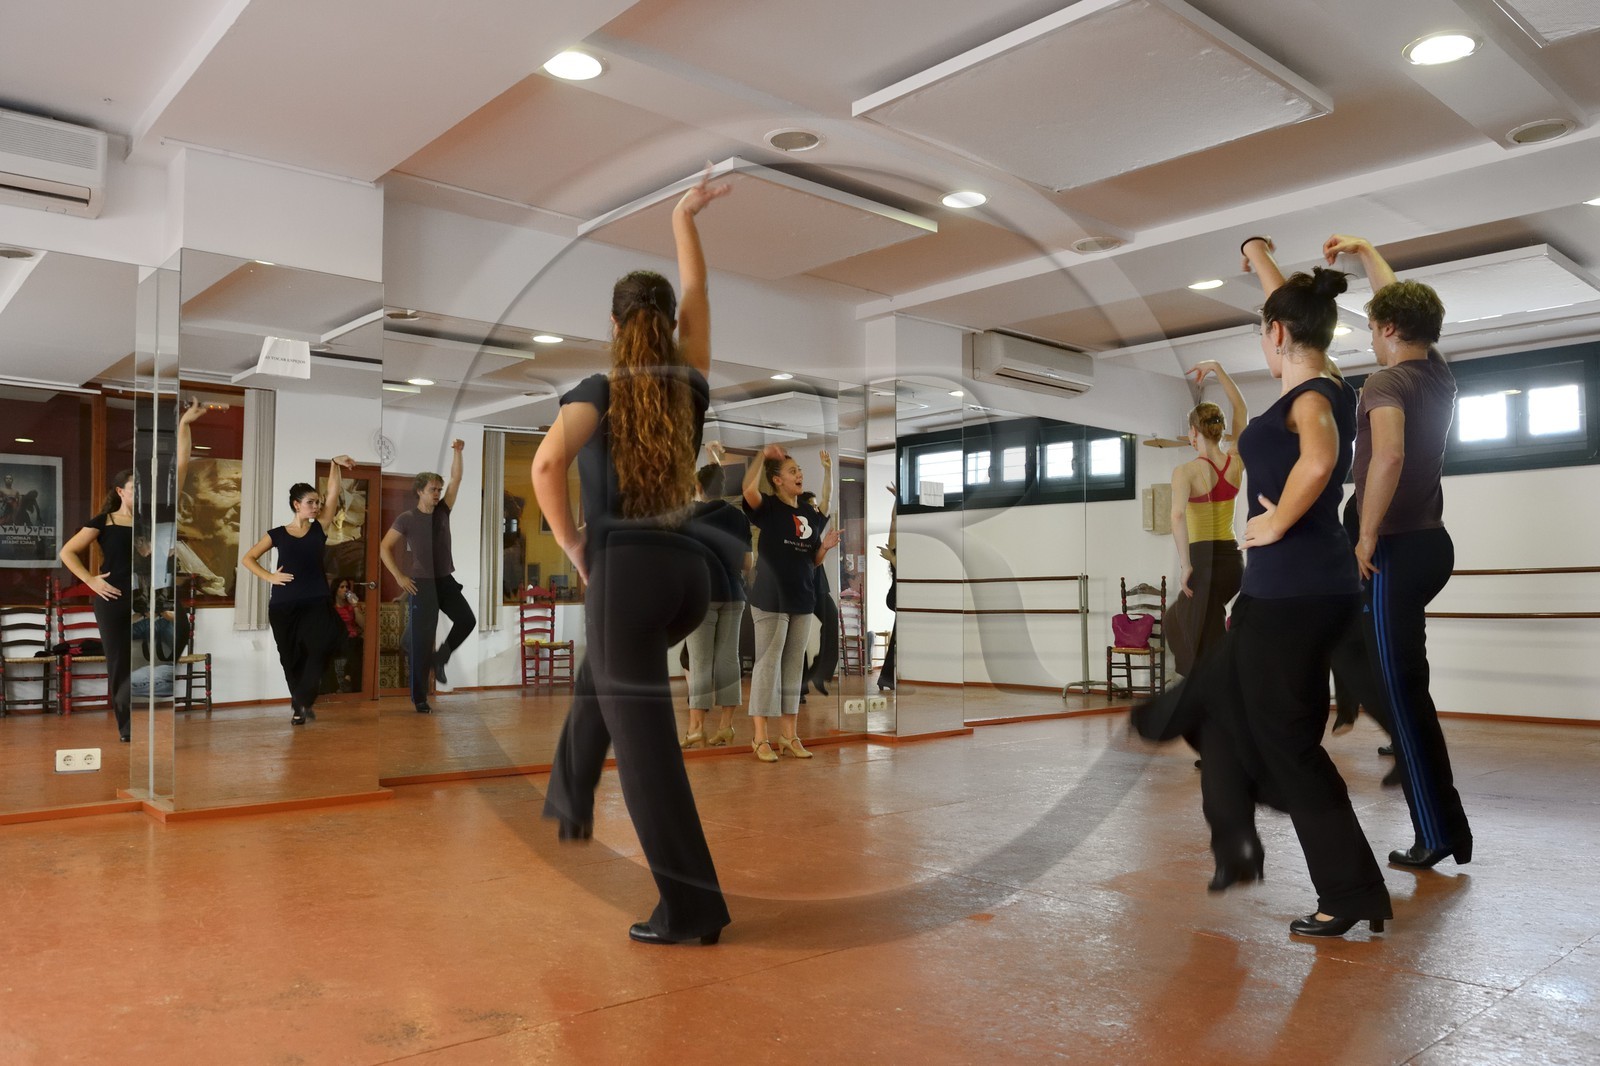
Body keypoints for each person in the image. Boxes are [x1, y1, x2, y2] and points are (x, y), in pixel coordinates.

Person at [1143, 237, 1391, 939]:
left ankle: (1343, 889)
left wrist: (1276, 521)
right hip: (1295, 591)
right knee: (1241, 715)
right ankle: (1243, 834)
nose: (1264, 337)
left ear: (1277, 335)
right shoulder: (1327, 381)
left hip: (1292, 594)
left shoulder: (1311, 399)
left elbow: (1319, 460)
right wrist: (1258, 259)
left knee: (1284, 743)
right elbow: (1290, 314)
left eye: (1264, 329)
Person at [533, 169, 733, 947]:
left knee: (650, 760)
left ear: (614, 325)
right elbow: (699, 292)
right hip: (686, 576)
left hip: (626, 575)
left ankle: (691, 911)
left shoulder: (599, 389)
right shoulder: (689, 384)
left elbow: (547, 467)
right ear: (666, 324)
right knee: (609, 670)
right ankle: (569, 789)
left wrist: (574, 545)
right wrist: (685, 217)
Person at [1325, 232, 1472, 869]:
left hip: (1392, 550)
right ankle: (1448, 829)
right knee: (1404, 687)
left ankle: (1436, 833)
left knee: (1404, 697)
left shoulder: (1385, 382)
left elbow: (1386, 456)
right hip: (1430, 544)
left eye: (1372, 326)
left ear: (1387, 330)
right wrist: (1366, 254)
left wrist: (1365, 535)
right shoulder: (1437, 374)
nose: (1371, 335)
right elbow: (1399, 303)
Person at [58, 401, 205, 742]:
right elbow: (67, 552)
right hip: (114, 597)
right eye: (134, 486)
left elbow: (182, 465)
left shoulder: (156, 514)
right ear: (121, 492)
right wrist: (90, 580)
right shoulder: (105, 521)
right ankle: (127, 727)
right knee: (120, 662)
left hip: (154, 594)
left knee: (176, 633)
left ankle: (152, 704)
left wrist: (184, 424)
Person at [742, 446, 841, 762]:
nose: (800, 474)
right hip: (770, 600)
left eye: (800, 470)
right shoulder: (768, 507)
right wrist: (762, 455)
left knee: (793, 667)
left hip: (802, 598)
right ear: (777, 480)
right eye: (793, 471)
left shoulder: (808, 514)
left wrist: (824, 547)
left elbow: (813, 560)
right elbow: (747, 489)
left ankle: (789, 735)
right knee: (767, 665)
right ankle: (760, 738)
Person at [241, 457, 353, 724]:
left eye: (317, 502)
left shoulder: (318, 528)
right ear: (296, 504)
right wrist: (270, 576)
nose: (316, 507)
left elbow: (334, 493)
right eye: (311, 502)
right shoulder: (278, 534)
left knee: (319, 648)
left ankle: (303, 699)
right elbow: (248, 558)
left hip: (316, 603)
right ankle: (299, 706)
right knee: (290, 658)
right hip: (284, 606)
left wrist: (334, 464)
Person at [1165, 361, 1246, 677]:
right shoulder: (1236, 461)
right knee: (1177, 621)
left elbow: (1176, 516)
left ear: (1193, 433)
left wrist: (1185, 566)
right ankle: (1206, 688)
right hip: (1232, 565)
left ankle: (1222, 690)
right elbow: (1241, 408)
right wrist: (1217, 369)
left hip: (1204, 562)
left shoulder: (1186, 471)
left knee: (1200, 636)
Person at [380, 442, 474, 714]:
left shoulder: (443, 511)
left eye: (439, 490)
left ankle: (440, 657)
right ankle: (419, 698)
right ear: (420, 491)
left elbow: (457, 478)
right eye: (432, 489)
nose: (437, 493)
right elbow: (384, 547)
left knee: (467, 620)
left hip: (445, 581)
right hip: (421, 584)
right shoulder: (407, 519)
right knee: (421, 642)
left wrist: (457, 452)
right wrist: (399, 576)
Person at [680, 443, 752, 748]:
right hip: (734, 594)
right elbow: (748, 563)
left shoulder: (689, 515)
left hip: (701, 597)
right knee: (728, 660)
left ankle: (696, 728)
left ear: (698, 487)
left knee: (699, 662)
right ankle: (726, 726)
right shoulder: (738, 517)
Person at [800, 451, 839, 698]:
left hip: (819, 587)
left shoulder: (816, 524)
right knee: (798, 639)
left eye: (816, 506)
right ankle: (799, 687)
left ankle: (819, 672)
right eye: (811, 505)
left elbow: (827, 497)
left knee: (832, 622)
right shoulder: (793, 526)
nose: (816, 508)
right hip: (798, 587)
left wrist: (828, 469)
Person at [331, 576, 365, 693]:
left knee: (358, 643)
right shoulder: (331, 608)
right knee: (355, 644)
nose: (345, 589)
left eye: (347, 587)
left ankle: (348, 678)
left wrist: (355, 606)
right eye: (342, 587)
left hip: (353, 640)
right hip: (338, 640)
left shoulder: (351, 606)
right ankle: (353, 686)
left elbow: (363, 625)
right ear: (336, 590)